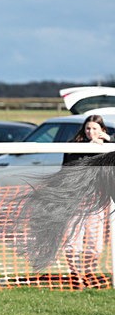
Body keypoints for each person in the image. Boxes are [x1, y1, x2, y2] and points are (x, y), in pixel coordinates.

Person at [62, 114, 110, 289]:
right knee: (73, 242)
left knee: (95, 244)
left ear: (102, 130)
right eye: (88, 129)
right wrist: (88, 147)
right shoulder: (74, 147)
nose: (91, 132)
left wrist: (109, 142)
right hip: (74, 200)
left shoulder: (106, 146)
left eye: (95, 129)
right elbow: (70, 166)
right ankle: (75, 275)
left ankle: (89, 273)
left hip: (96, 202)